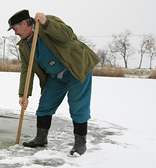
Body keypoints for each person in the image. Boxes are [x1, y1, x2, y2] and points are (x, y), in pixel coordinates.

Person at [7, 10, 99, 155]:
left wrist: (46, 23)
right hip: (55, 77)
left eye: (15, 28)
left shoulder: (46, 23)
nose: (15, 33)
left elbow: (67, 35)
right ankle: (41, 138)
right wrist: (23, 94)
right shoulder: (24, 46)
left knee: (77, 106)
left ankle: (80, 144)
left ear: (24, 23)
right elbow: (27, 70)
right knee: (45, 105)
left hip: (75, 67)